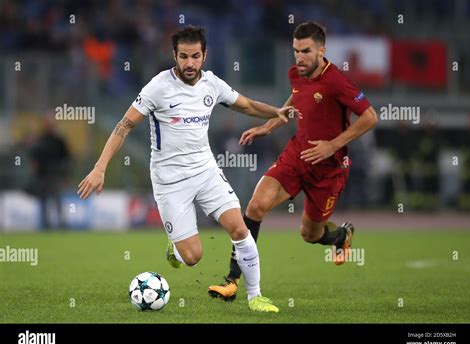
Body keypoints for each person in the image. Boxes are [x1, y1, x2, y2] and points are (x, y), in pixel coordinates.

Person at [77, 26, 301, 313]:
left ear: (204, 55)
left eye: (195, 56)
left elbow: (245, 105)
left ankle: (255, 296)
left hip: (206, 171)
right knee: (193, 256)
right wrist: (99, 168)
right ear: (175, 56)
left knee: (239, 228)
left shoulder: (212, 84)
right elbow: (124, 126)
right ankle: (176, 247)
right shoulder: (158, 86)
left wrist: (276, 112)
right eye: (184, 56)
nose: (190, 63)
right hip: (170, 181)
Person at [208, 22, 378, 301]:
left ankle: (341, 237)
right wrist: (269, 125)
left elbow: (370, 116)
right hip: (296, 156)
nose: (299, 57)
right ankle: (232, 281)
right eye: (296, 51)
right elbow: (296, 100)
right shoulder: (296, 73)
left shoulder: (337, 81)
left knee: (310, 234)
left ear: (322, 50)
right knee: (255, 205)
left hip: (329, 170)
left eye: (306, 51)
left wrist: (333, 145)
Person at [29, 111, 71, 229]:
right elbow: (34, 158)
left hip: (55, 175)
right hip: (42, 175)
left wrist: (65, 176)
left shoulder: (59, 141)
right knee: (43, 202)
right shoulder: (40, 140)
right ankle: (46, 226)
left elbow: (66, 158)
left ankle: (62, 225)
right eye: (48, 122)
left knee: (58, 201)